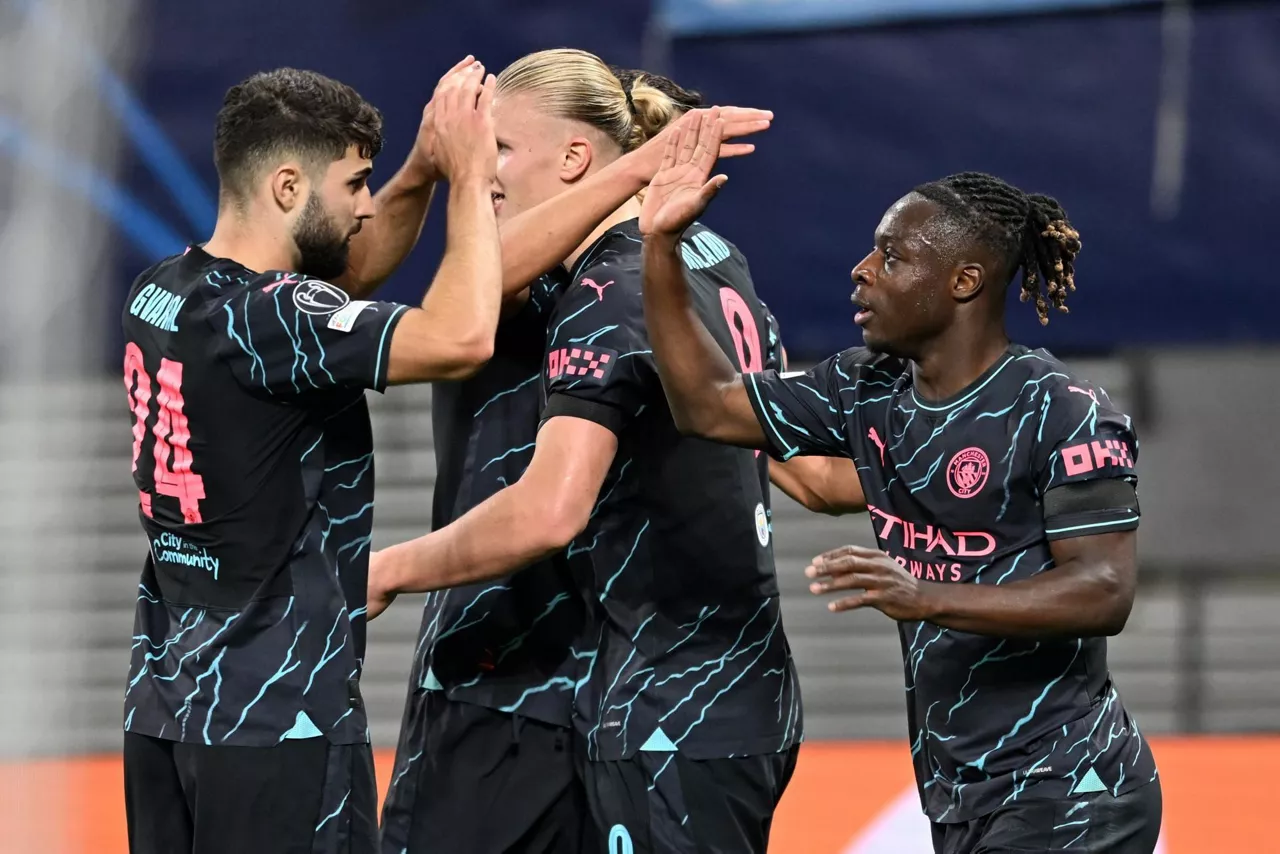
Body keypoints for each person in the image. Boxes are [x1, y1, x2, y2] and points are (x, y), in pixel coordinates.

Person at [636, 113, 1162, 854]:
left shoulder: (1061, 410)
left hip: (1071, 789)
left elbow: (1105, 590)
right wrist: (658, 246)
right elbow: (706, 406)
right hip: (959, 794)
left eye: (891, 255)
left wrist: (925, 598)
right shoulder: (867, 388)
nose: (862, 269)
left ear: (964, 280)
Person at [370, 50, 801, 854]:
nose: (482, 172)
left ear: (576, 156)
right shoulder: (702, 259)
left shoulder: (612, 281)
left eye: (499, 149)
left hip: (551, 680)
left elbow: (549, 507)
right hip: (624, 685)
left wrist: (383, 569)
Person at [119, 62, 505, 854]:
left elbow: (346, 282)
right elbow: (463, 338)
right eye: (356, 184)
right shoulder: (279, 317)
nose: (367, 206)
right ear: (288, 187)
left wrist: (421, 172)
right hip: (278, 719)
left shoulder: (161, 291)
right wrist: (469, 178)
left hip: (168, 709)